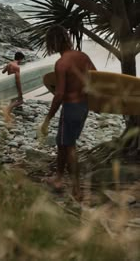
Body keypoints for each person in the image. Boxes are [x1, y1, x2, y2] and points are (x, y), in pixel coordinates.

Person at [40, 25, 96, 201]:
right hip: (83, 107)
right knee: (62, 142)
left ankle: (77, 190)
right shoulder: (83, 56)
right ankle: (58, 178)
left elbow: (59, 94)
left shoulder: (61, 63)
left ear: (54, 43)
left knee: (69, 146)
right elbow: (96, 78)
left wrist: (47, 119)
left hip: (70, 108)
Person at [2, 51, 25, 119]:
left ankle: (7, 115)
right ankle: (6, 110)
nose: (21, 61)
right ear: (20, 59)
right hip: (14, 86)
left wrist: (5, 67)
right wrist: (20, 92)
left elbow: (3, 72)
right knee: (20, 101)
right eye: (22, 60)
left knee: (13, 101)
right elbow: (17, 80)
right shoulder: (17, 67)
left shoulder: (9, 64)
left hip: (9, 84)